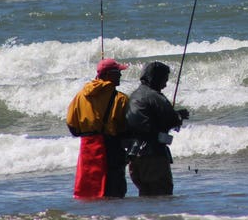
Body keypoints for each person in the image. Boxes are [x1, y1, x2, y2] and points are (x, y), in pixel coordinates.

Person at [66, 58, 130, 199]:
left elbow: (71, 125)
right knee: (114, 192)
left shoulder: (80, 96)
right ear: (108, 75)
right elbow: (124, 127)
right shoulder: (121, 98)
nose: (120, 75)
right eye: (118, 72)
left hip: (87, 147)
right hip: (110, 148)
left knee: (88, 191)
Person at [125, 61, 190, 196]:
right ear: (155, 78)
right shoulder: (155, 96)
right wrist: (180, 115)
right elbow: (171, 119)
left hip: (134, 155)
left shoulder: (134, 95)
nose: (165, 85)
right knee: (162, 195)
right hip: (152, 155)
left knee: (146, 196)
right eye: (164, 80)